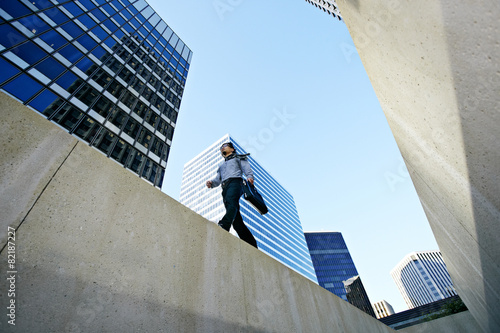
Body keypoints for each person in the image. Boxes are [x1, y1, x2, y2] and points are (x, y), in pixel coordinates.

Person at [206, 142, 258, 248]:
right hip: (225, 187)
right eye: (221, 148)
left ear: (232, 149)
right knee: (236, 219)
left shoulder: (239, 158)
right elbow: (218, 180)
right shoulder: (221, 166)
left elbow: (246, 168)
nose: (222, 149)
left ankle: (224, 225)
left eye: (224, 147)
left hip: (236, 182)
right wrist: (211, 183)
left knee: (231, 203)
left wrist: (250, 177)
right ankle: (251, 244)